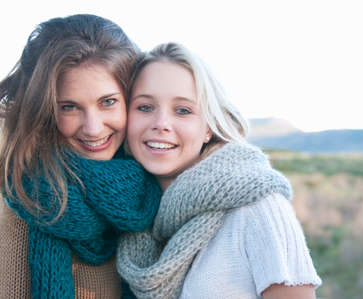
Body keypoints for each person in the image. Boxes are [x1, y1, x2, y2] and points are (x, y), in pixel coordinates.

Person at [117, 43, 322, 299]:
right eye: (145, 107)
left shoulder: (258, 206)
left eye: (183, 110)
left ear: (208, 127)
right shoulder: (127, 217)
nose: (161, 124)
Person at [0, 14, 161, 298]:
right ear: (44, 111)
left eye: (108, 102)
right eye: (69, 107)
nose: (93, 128)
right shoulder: (17, 203)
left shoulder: (159, 192)